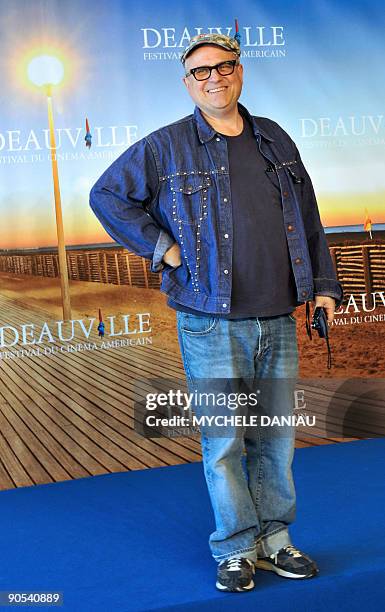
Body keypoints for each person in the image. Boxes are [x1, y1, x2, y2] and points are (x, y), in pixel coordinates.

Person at [90, 31, 343, 593]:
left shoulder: (273, 138)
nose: (214, 77)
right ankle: (235, 549)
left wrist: (324, 284)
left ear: (240, 71)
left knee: (274, 435)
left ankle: (275, 540)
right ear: (188, 83)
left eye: (223, 67)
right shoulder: (165, 146)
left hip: (277, 313)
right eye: (201, 71)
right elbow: (107, 195)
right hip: (208, 317)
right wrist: (163, 247)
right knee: (225, 438)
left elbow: (308, 212)